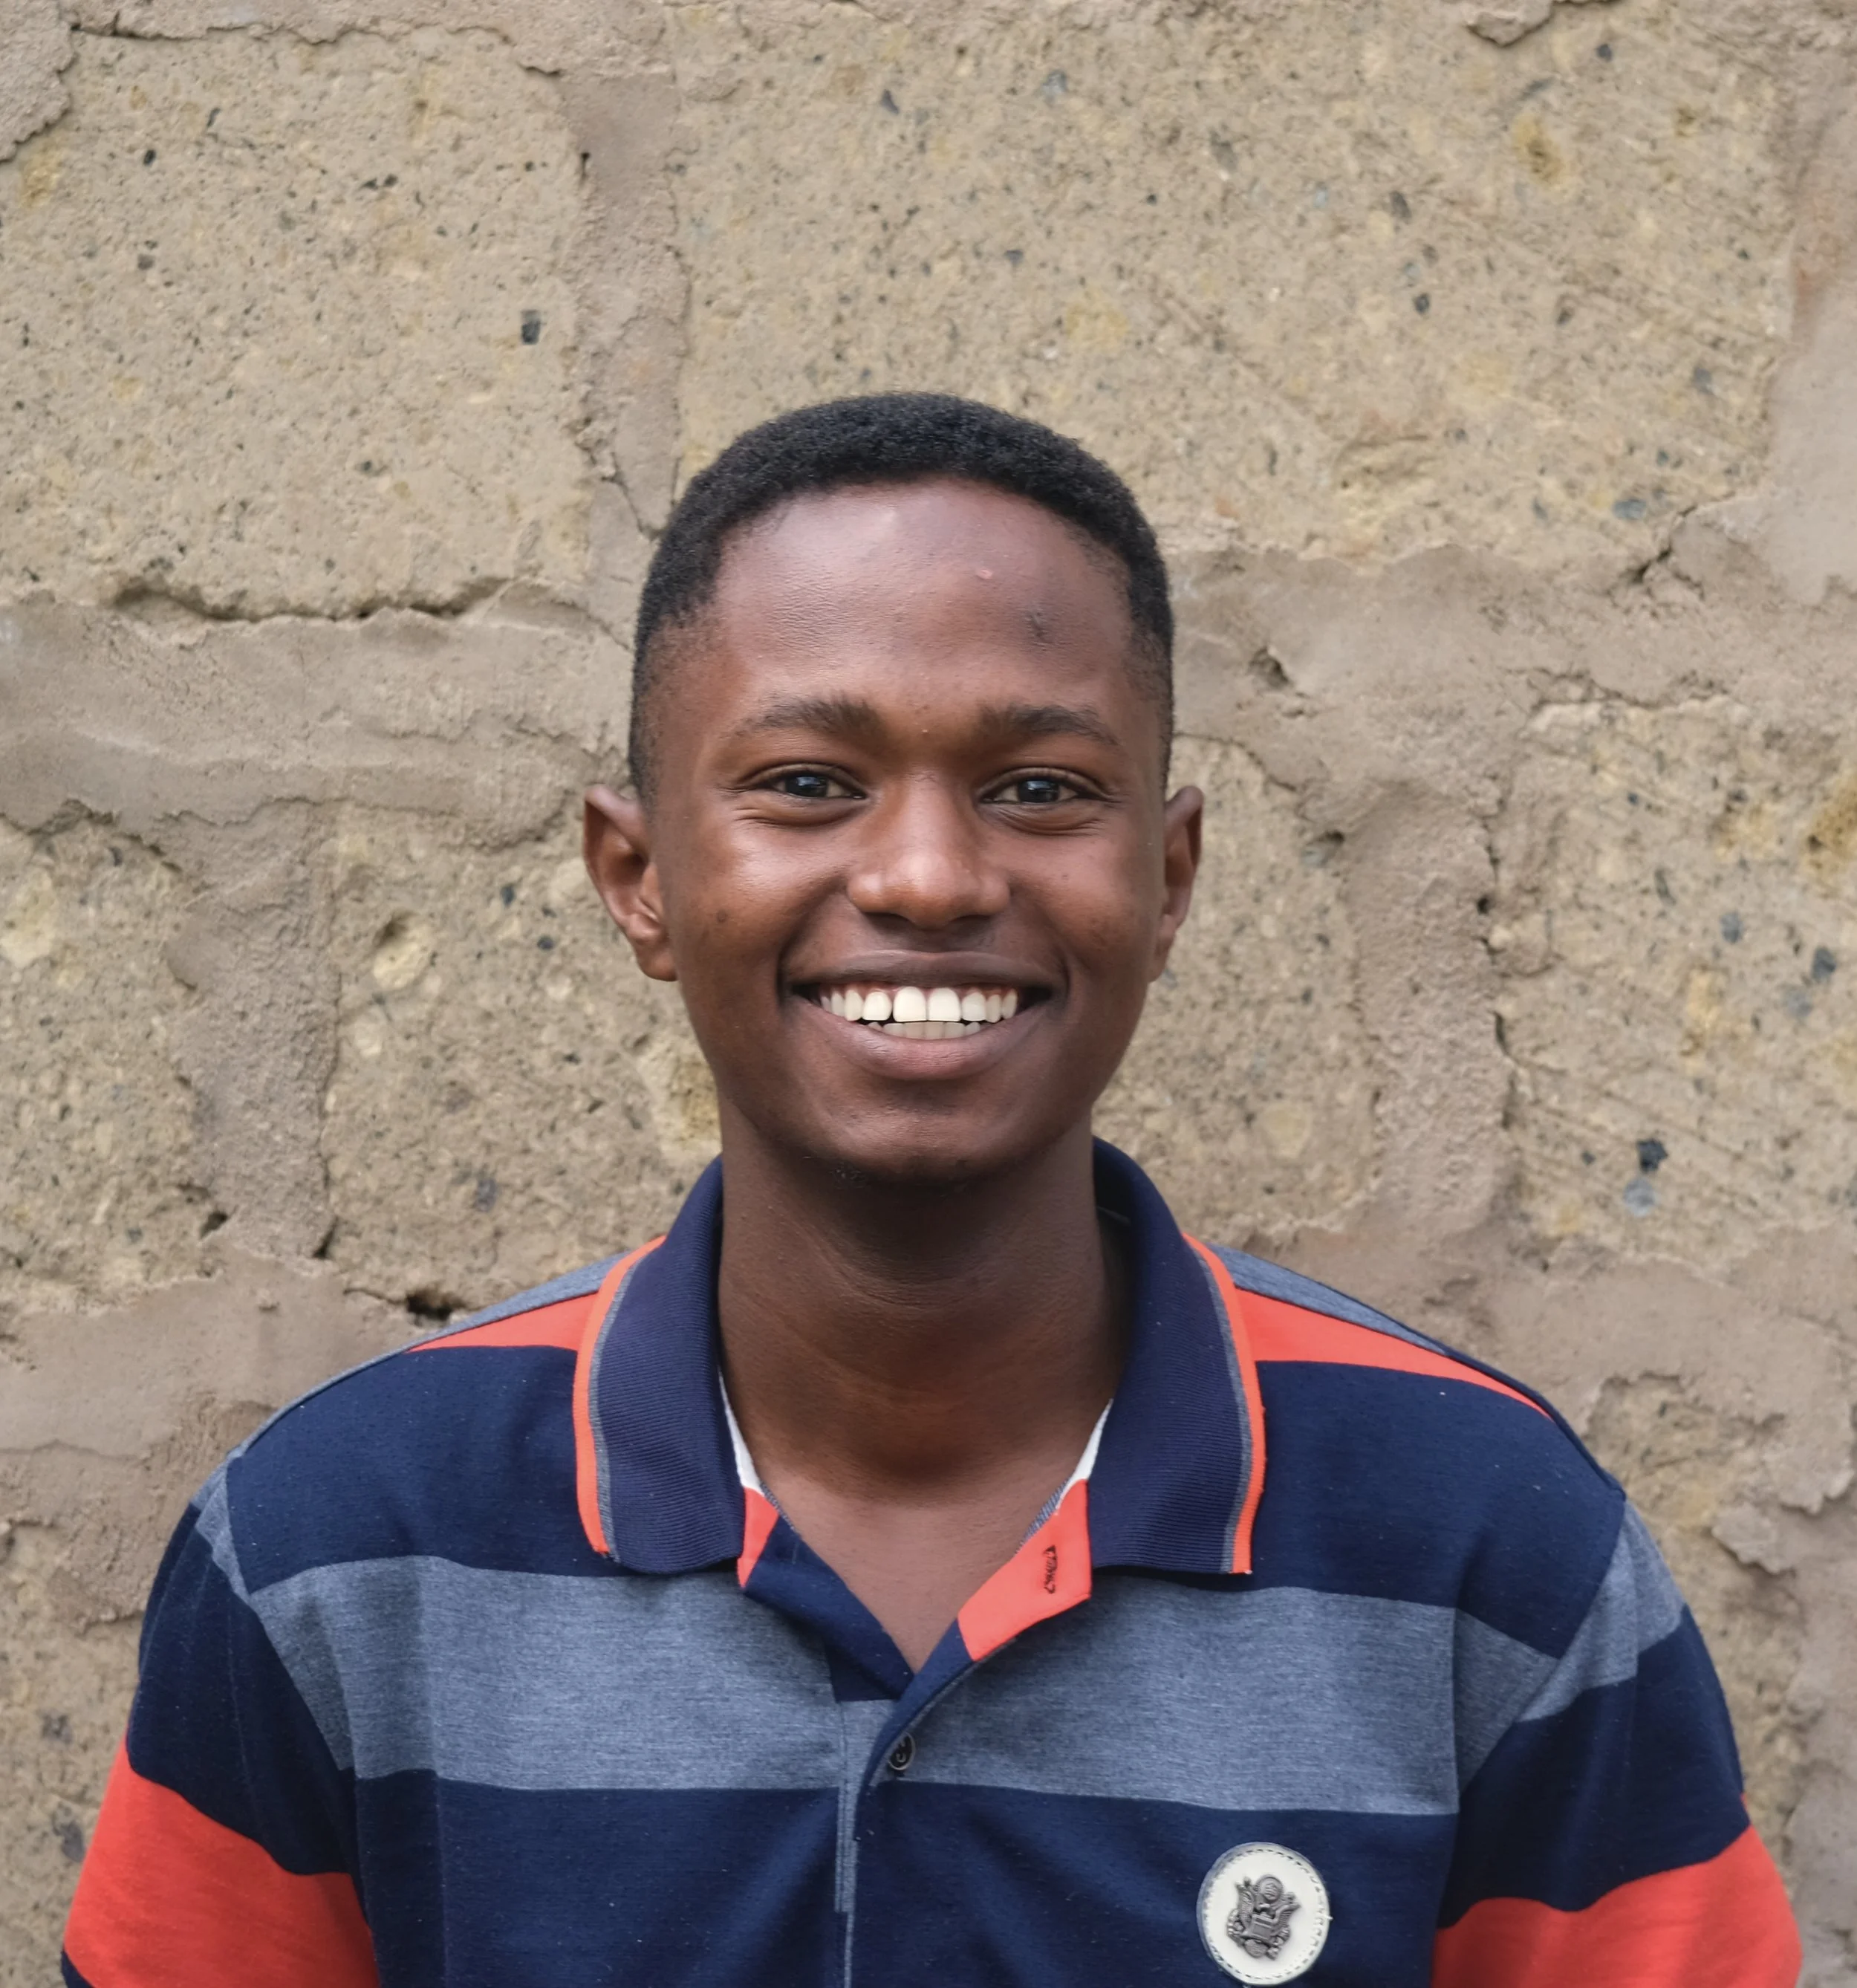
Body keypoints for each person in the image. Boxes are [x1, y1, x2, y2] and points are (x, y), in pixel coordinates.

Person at [62, 394, 1800, 1987]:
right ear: (636, 874)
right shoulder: (333, 1559)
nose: (923, 876)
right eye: (806, 785)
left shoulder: (1491, 1553)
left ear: (1168, 878)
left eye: (1037, 788)